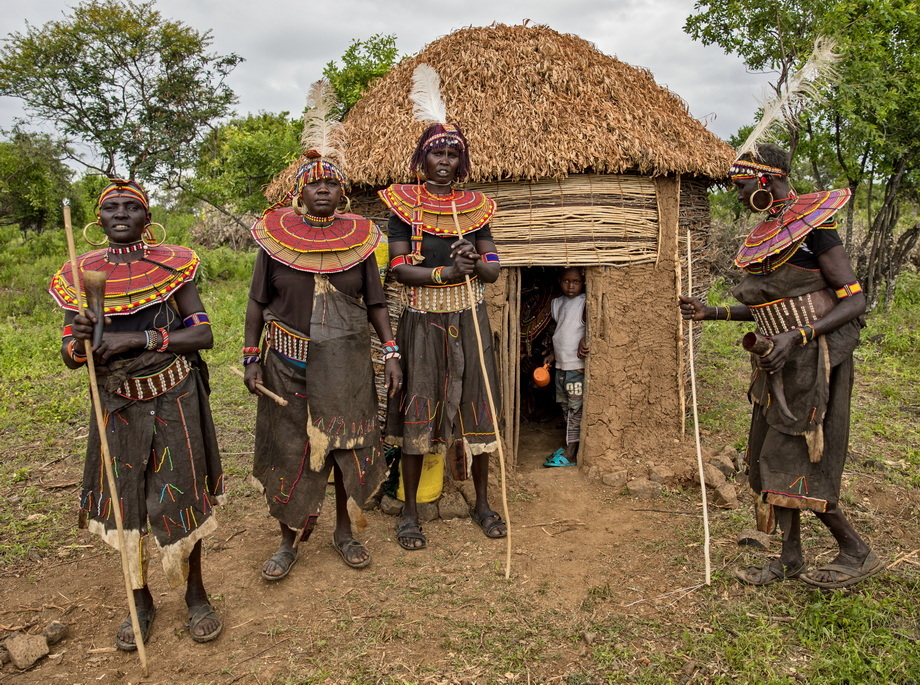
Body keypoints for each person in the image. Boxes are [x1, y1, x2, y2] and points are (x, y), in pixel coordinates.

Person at [679, 143, 882, 588]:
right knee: (763, 457)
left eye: (742, 184)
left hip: (815, 359)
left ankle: (856, 550)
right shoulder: (768, 231)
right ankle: (791, 558)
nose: (738, 193)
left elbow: (854, 298)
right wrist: (710, 312)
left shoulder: (816, 228)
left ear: (765, 180)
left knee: (789, 456)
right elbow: (769, 308)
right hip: (777, 362)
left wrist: (801, 335)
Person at [50, 179, 224, 650]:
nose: (121, 214)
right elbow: (69, 354)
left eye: (132, 207)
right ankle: (140, 599)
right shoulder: (79, 275)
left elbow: (202, 335)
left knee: (182, 491)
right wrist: (80, 338)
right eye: (112, 208)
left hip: (173, 395)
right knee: (126, 499)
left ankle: (195, 595)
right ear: (98, 220)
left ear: (148, 219)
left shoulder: (172, 267)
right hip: (115, 403)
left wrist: (142, 339)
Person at [244, 149, 401, 580]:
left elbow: (376, 303)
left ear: (343, 193)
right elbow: (257, 304)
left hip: (346, 365)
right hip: (285, 365)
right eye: (314, 184)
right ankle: (287, 537)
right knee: (289, 449)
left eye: (331, 183)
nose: (323, 190)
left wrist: (390, 351)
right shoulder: (274, 243)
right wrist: (250, 357)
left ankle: (345, 533)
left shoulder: (361, 242)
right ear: (300, 192)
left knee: (344, 449)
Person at [381, 120, 506, 549]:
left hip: (470, 321)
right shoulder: (403, 206)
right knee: (420, 406)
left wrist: (474, 258)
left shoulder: (475, 209)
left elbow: (492, 270)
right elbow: (398, 269)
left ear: (461, 162)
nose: (445, 163)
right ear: (423, 158)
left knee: (478, 406)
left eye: (453, 156)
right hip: (421, 323)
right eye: (438, 154)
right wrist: (445, 272)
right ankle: (411, 512)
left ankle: (485, 504)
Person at [543, 267, 589, 467]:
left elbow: (594, 326)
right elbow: (562, 332)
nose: (571, 286)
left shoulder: (585, 303)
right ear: (559, 281)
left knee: (575, 409)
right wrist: (553, 355)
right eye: (566, 281)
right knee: (564, 407)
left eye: (576, 282)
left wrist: (587, 338)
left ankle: (571, 452)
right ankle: (569, 443)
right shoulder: (557, 304)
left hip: (576, 368)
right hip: (561, 367)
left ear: (584, 282)